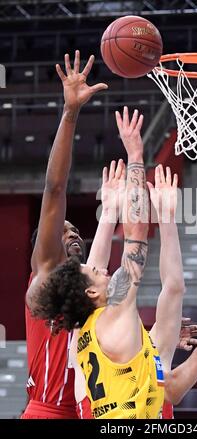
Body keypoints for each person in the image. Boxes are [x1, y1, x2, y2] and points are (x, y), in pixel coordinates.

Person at [33, 107, 197, 419]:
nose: (100, 267)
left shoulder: (82, 337)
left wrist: (110, 212)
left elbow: (170, 387)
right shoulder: (113, 317)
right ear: (90, 293)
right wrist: (135, 156)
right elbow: (136, 236)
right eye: (92, 270)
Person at [22, 50, 108, 419]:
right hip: (46, 410)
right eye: (63, 230)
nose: (72, 234)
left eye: (76, 230)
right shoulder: (46, 270)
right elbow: (55, 188)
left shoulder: (88, 289)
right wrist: (71, 112)